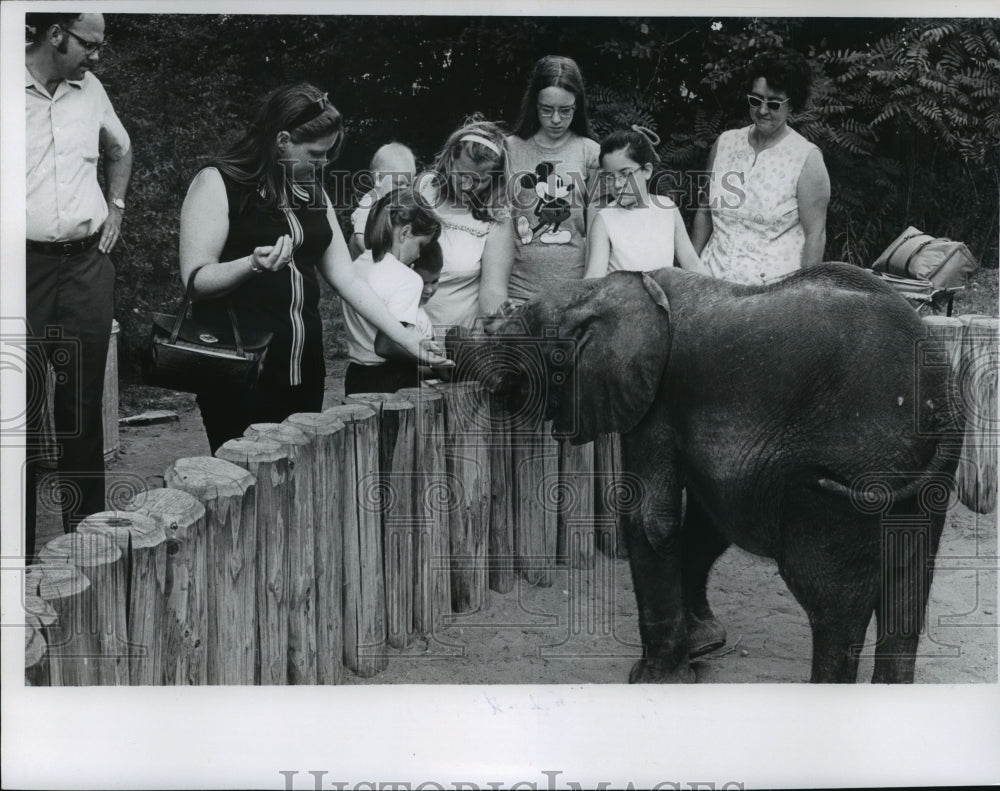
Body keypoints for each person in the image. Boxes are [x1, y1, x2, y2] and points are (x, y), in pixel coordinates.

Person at [179, 83, 448, 454]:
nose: (324, 164)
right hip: (237, 371)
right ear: (283, 140)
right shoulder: (218, 183)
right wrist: (250, 264)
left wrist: (406, 339)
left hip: (302, 370)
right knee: (242, 485)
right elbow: (196, 281)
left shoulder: (313, 192)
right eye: (316, 154)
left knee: (297, 481)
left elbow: (347, 278)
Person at [24, 12, 132, 559]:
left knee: (82, 408)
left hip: (87, 266)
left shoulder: (90, 89)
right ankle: (14, 562)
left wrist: (115, 206)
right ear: (55, 33)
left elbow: (121, 147)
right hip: (20, 269)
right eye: (90, 44)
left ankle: (87, 549)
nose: (96, 56)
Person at [691, 49, 831, 285]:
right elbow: (705, 212)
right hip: (710, 287)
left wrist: (805, 295)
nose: (762, 110)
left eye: (774, 104)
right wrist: (688, 273)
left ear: (792, 104)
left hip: (771, 299)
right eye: (756, 100)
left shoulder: (806, 158)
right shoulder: (725, 144)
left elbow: (815, 236)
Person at [506, 55, 600, 301]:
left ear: (577, 105)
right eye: (547, 110)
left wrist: (588, 289)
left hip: (572, 294)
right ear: (534, 105)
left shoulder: (591, 152)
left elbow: (596, 227)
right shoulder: (510, 148)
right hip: (516, 291)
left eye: (565, 110)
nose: (556, 119)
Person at [342, 187, 442, 396]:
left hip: (356, 377)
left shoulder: (356, 266)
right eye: (421, 245)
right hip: (392, 380)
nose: (418, 256)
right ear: (405, 233)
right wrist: (428, 359)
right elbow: (387, 345)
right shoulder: (407, 279)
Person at [418, 117, 514, 330]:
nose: (467, 186)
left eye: (479, 180)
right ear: (450, 159)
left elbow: (493, 293)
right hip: (400, 336)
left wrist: (495, 321)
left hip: (455, 342)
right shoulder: (424, 189)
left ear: (495, 177)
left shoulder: (497, 220)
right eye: (461, 175)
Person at [584, 126, 709, 278]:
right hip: (621, 298)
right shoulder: (604, 219)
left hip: (663, 297)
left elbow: (691, 263)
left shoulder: (667, 209)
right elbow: (594, 276)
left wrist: (719, 294)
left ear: (647, 171)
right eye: (609, 177)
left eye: (625, 174)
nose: (617, 184)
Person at [348, 142, 417, 259]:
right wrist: (381, 261)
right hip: (363, 262)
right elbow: (359, 239)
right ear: (379, 179)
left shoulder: (395, 203)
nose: (404, 190)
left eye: (408, 185)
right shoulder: (370, 203)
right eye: (399, 183)